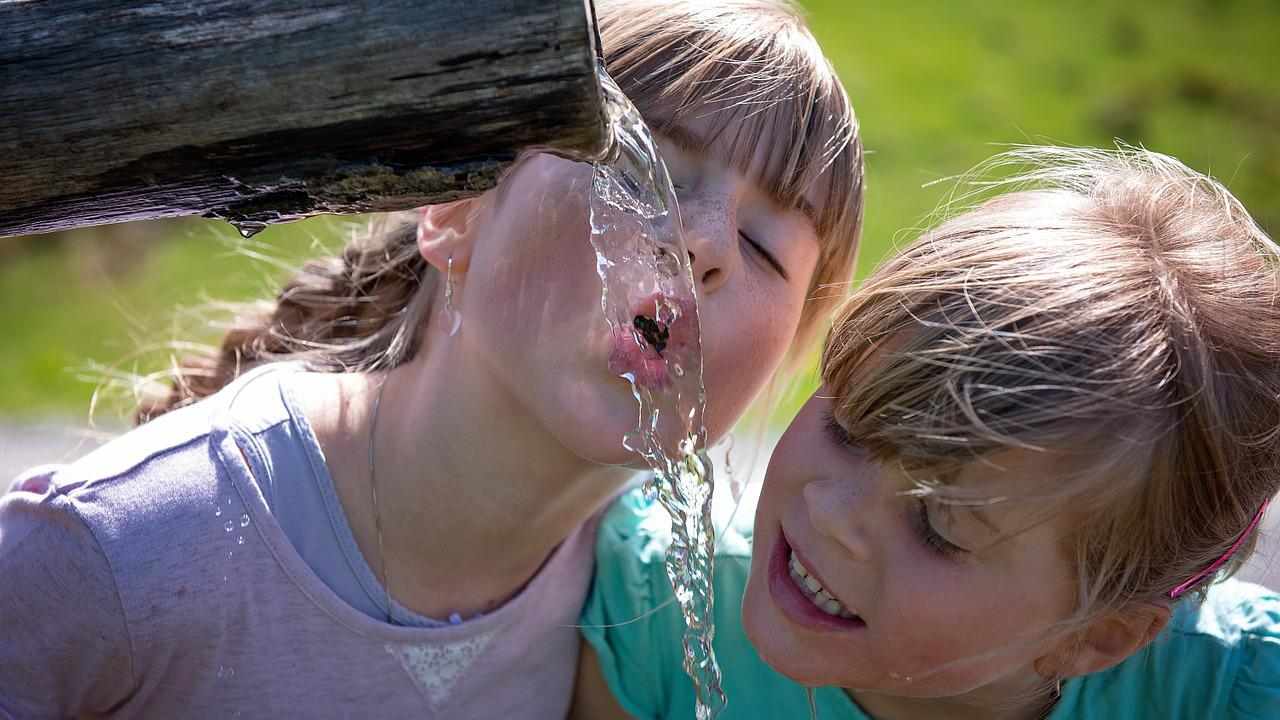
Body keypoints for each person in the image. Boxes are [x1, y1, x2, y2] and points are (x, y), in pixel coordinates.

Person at [0, 2, 864, 718]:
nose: (703, 243)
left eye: (762, 246)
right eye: (644, 175)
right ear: (455, 212)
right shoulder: (124, 550)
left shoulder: (651, 616)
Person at [575, 146, 1280, 719]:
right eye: (849, 428)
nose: (833, 512)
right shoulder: (659, 613)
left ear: (1093, 637)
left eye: (938, 527)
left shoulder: (1231, 695)